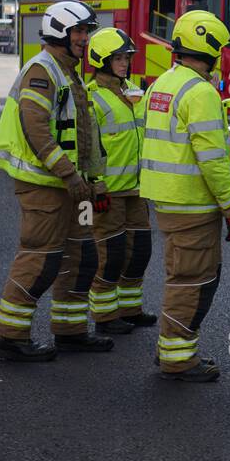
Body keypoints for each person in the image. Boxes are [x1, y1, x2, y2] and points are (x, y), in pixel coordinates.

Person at [0, 0, 112, 361]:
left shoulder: (68, 71)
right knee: (40, 259)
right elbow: (37, 131)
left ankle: (71, 331)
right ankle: (11, 337)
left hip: (73, 187)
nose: (85, 38)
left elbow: (83, 135)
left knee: (83, 257)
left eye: (86, 31)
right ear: (60, 31)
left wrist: (94, 182)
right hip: (45, 185)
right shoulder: (42, 71)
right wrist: (68, 175)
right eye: (80, 31)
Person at [139, 10, 230, 382]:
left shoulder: (161, 83)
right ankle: (177, 359)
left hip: (166, 199)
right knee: (193, 280)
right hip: (193, 202)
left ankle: (171, 349)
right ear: (211, 49)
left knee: (180, 276)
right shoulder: (200, 92)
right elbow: (214, 161)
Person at [84, 27, 157, 334]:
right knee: (111, 256)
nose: (125, 63)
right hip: (109, 192)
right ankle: (104, 317)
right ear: (102, 60)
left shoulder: (133, 92)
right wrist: (95, 183)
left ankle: (130, 308)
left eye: (126, 57)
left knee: (140, 251)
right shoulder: (92, 98)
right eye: (118, 58)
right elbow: (86, 147)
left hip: (137, 189)